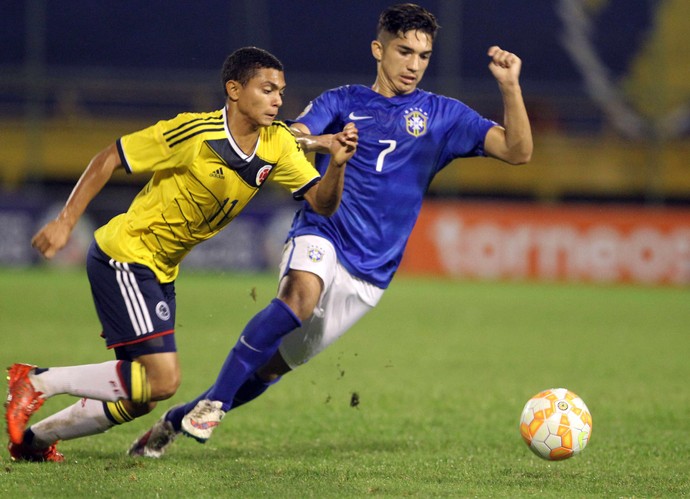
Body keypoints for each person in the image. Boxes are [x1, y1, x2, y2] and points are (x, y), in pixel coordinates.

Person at [129, 3, 532, 458]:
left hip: (370, 275)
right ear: (379, 49)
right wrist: (324, 142)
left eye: (423, 56)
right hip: (324, 232)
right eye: (404, 51)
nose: (414, 65)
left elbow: (517, 152)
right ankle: (216, 403)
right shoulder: (342, 102)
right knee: (299, 298)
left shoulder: (442, 115)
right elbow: (290, 135)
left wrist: (511, 87)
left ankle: (179, 419)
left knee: (270, 370)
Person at [5, 46, 358, 462]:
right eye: (267, 89)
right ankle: (36, 381)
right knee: (163, 380)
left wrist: (336, 163)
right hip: (126, 255)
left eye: (281, 91)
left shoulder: (277, 143)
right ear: (234, 89)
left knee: (140, 395)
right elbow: (109, 158)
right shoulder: (193, 133)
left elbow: (321, 202)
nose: (278, 99)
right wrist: (66, 221)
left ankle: (32, 443)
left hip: (161, 271)